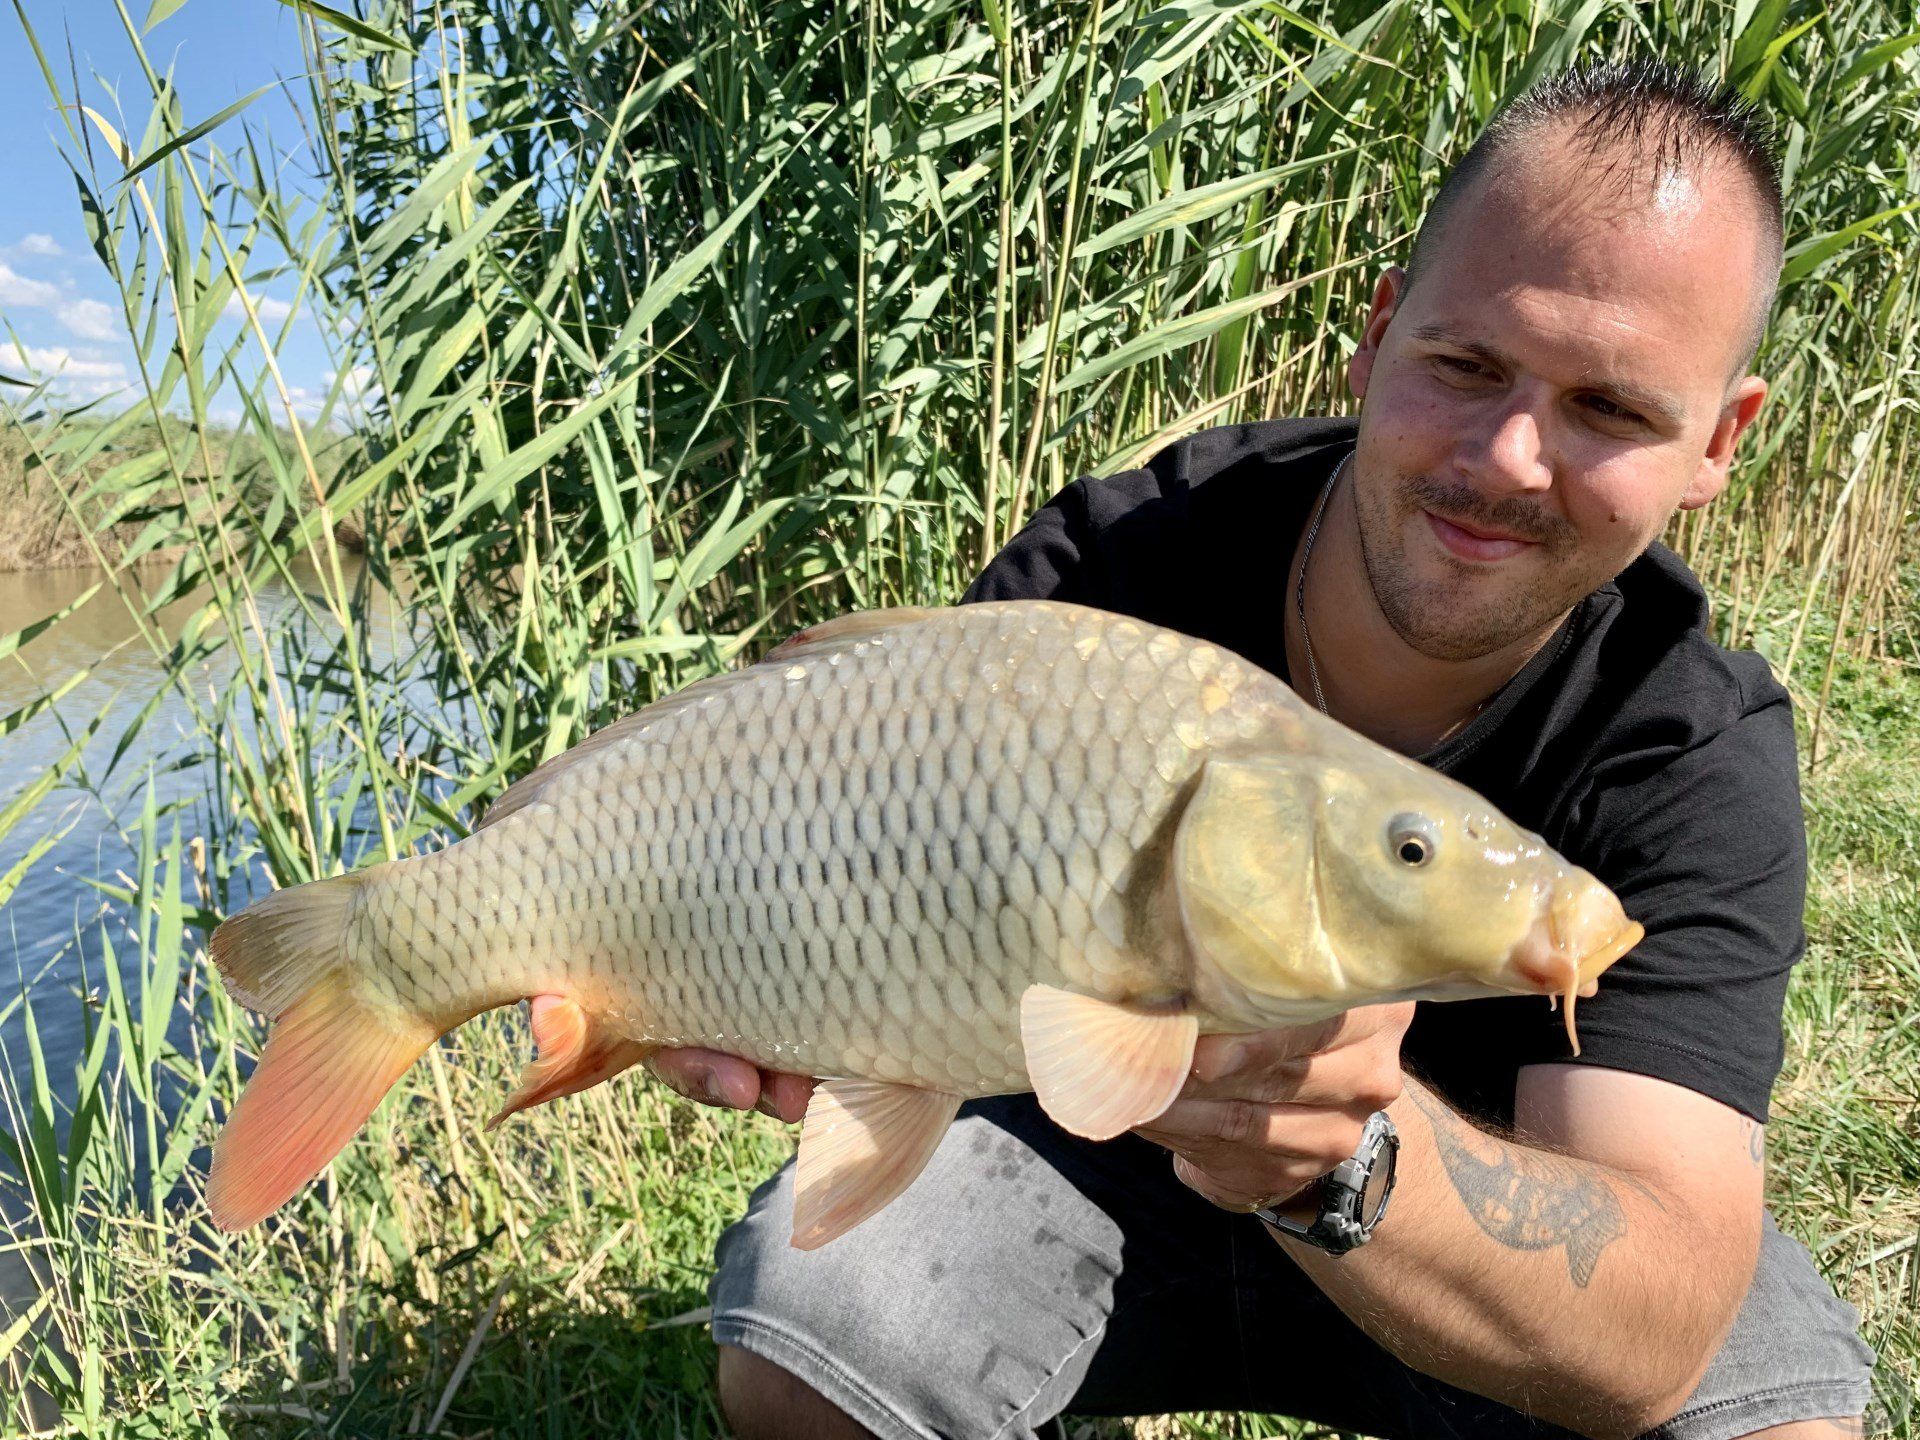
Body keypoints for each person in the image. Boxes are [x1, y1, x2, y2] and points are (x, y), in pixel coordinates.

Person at [651, 59, 1881, 1439]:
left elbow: (1649, 1319)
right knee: (821, 1336)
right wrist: (746, 983)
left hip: (1469, 1221)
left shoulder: (1690, 744)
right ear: (1374, 337)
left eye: (1611, 410)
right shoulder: (1119, 572)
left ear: (1719, 441)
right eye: (1467, 366)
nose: (1511, 457)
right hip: (1095, 1166)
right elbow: (859, 900)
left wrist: (1332, 1158)